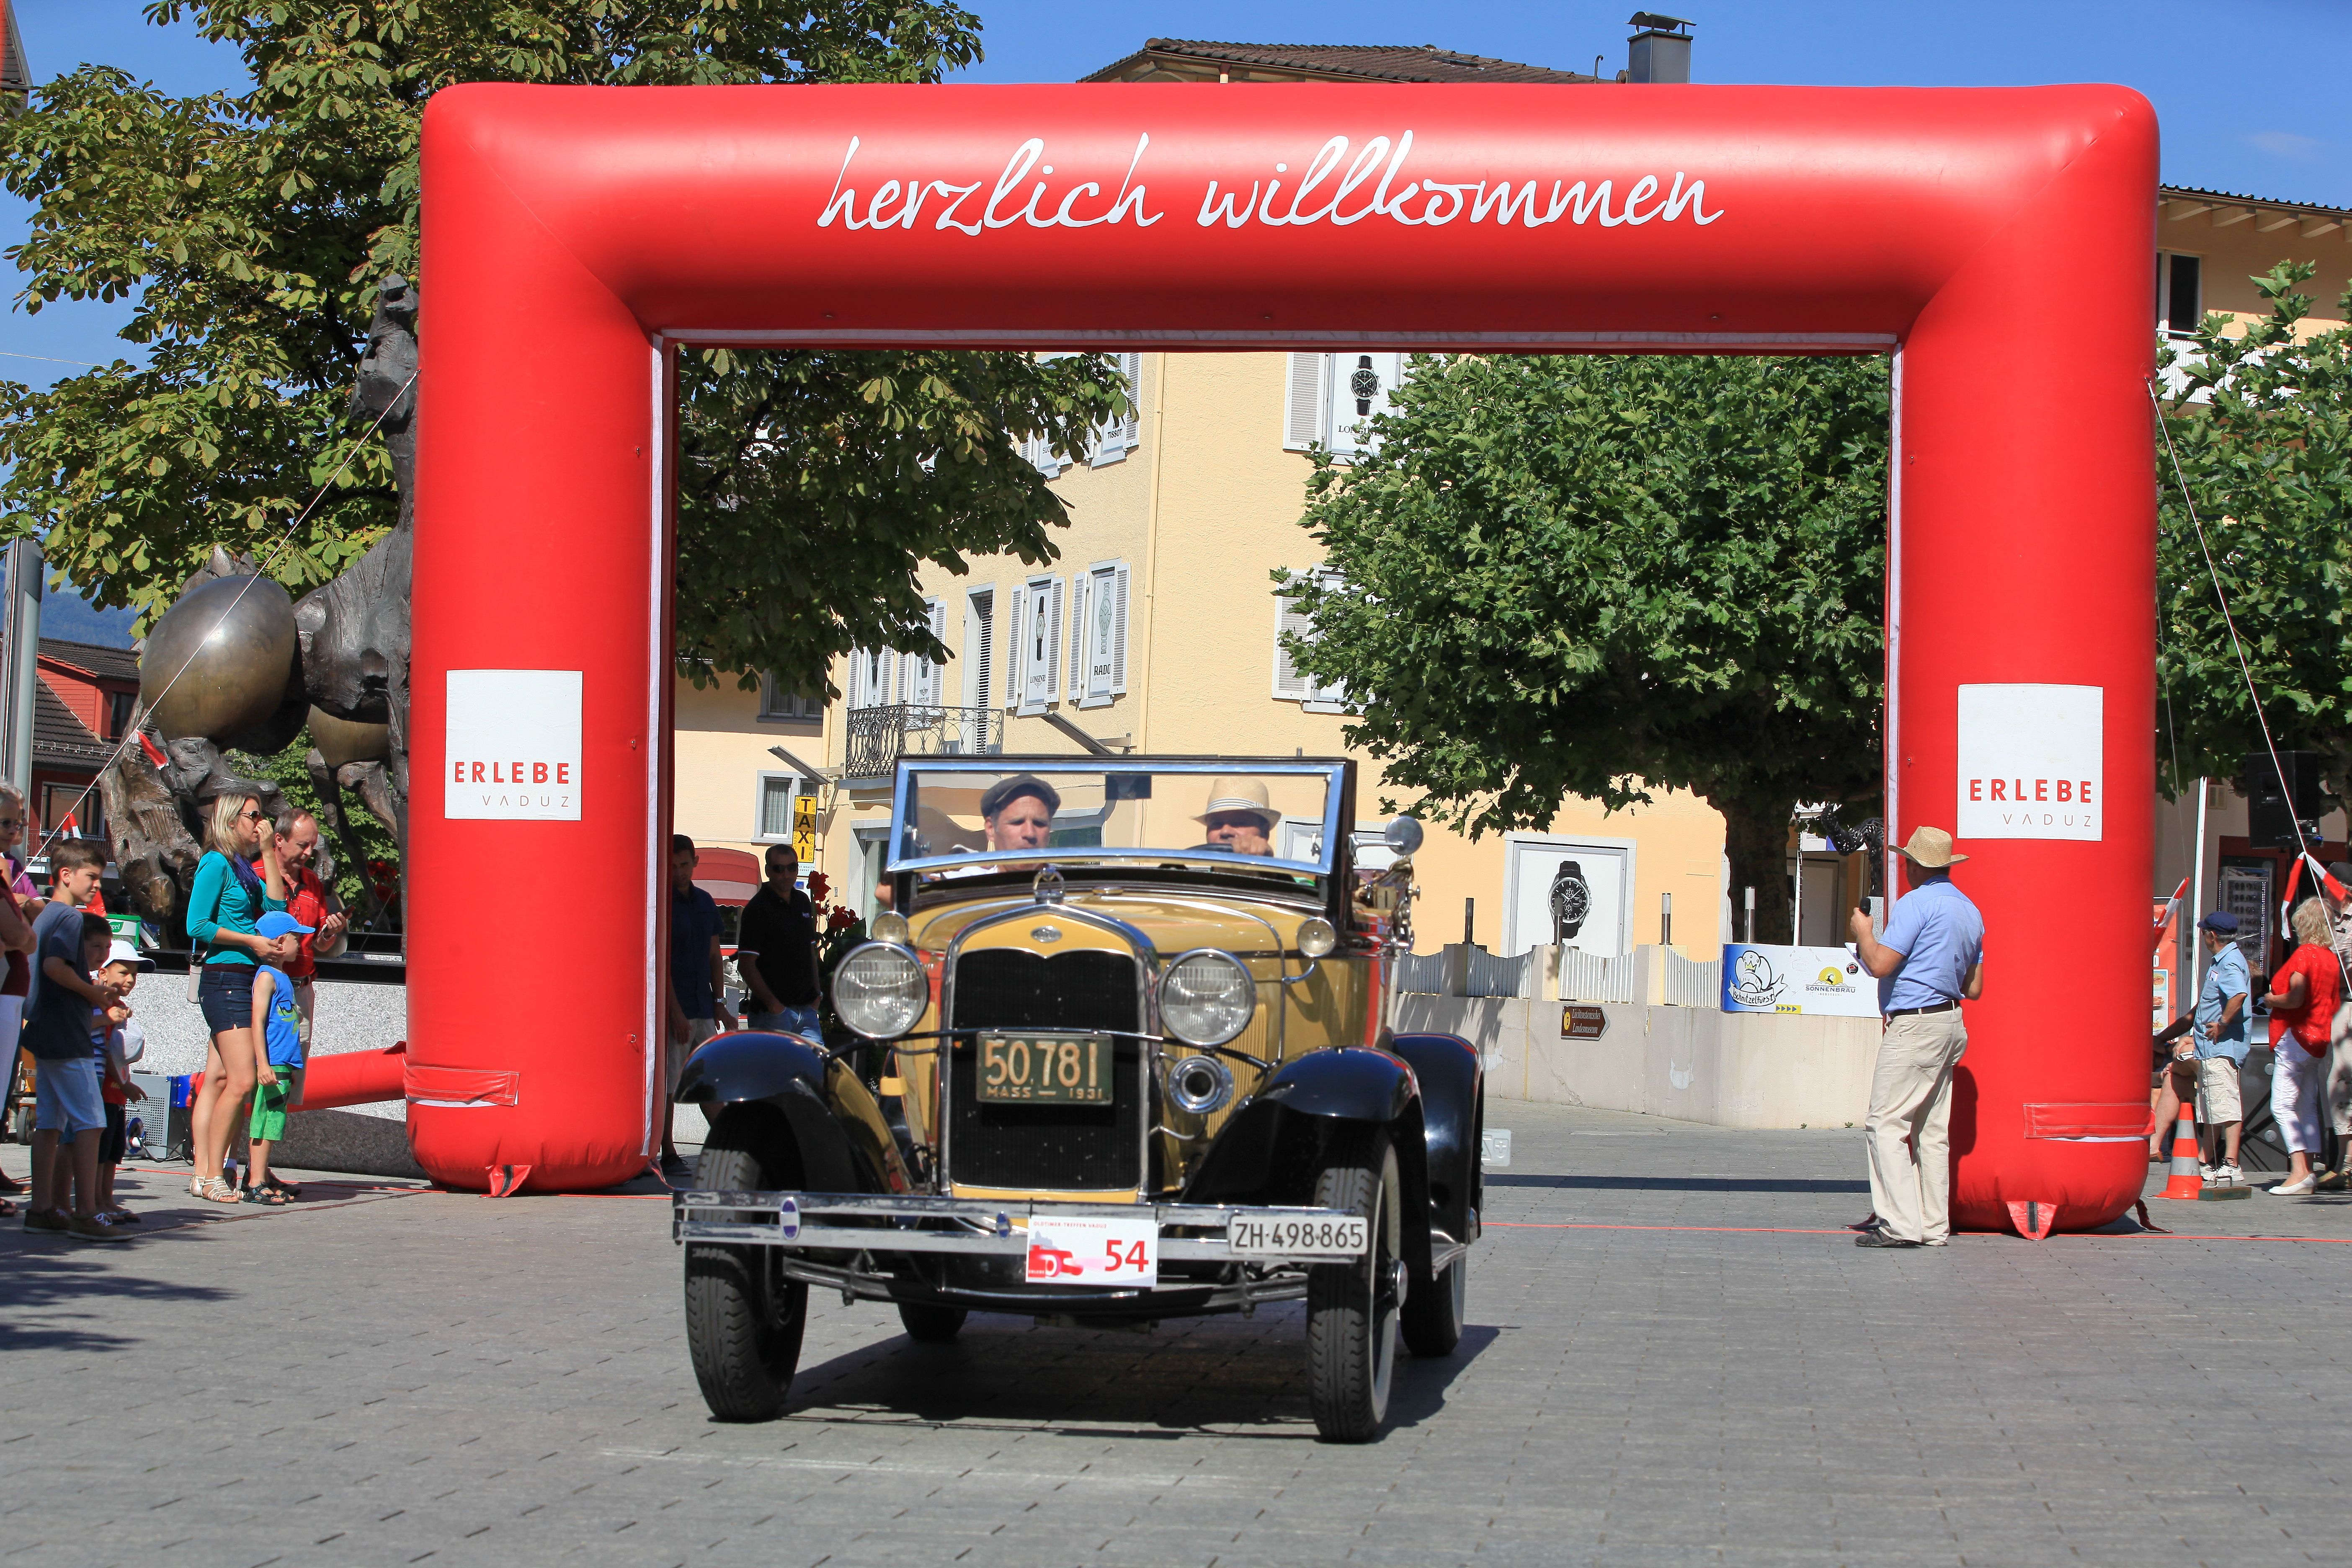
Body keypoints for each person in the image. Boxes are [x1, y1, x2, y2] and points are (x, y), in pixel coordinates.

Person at [1846, 825, 1986, 1250]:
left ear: (1915, 866)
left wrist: (1863, 931)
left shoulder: (1915, 904)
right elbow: (1975, 987)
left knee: (1885, 1123)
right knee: (1932, 1131)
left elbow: (1881, 963)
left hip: (1916, 1022)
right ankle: (1932, 1225)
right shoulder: (1970, 910)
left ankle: (1899, 1225)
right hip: (1950, 1021)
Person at [185, 793, 294, 1205]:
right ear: (231, 821)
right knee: (243, 1080)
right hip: (226, 980)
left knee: (221, 1079)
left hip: (245, 979)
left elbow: (277, 907)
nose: (259, 823)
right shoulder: (215, 862)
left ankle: (205, 1173)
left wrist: (268, 852)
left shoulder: (241, 868)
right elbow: (197, 923)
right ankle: (213, 1174)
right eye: (253, 817)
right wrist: (251, 940)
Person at [21, 846, 131, 1240]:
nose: (97, 886)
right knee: (91, 1120)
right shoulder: (69, 917)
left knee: (50, 1122)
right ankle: (87, 1213)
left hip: (44, 1031)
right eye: (91, 878)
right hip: (68, 1034)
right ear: (66, 875)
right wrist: (93, 993)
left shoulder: (47, 914)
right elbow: (55, 968)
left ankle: (41, 1207)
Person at [2151, 912, 2250, 1184]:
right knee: (2206, 1100)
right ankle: (2203, 1160)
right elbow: (2199, 1012)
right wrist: (2164, 1037)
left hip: (2222, 1047)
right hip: (2209, 1048)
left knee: (2225, 1105)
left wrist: (2223, 1023)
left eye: (2204, 932)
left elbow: (2239, 994)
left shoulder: (2229, 963)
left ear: (2212, 936)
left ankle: (2231, 1163)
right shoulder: (2220, 962)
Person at [2258, 897, 2341, 1197]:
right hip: (2319, 1037)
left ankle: (2299, 1170)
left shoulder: (2306, 954)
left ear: (2303, 925)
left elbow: (2295, 997)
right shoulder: (2332, 958)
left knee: (2282, 1104)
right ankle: (2309, 1170)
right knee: (2306, 1105)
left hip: (2296, 1034)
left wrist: (2269, 999)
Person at [663, 833, 733, 1179]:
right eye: (673, 866)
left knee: (707, 1079)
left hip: (704, 1006)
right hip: (676, 1007)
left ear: (695, 863)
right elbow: (660, 963)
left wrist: (720, 1003)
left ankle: (728, 1145)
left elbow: (714, 957)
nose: (678, 872)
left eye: (684, 865)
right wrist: (675, 1012)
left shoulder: (706, 902)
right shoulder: (661, 903)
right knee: (670, 1084)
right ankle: (667, 1148)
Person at [242, 913, 315, 1206]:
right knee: (265, 1120)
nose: (300, 943)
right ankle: (255, 1182)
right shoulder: (267, 977)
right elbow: (257, 1021)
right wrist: (263, 1063)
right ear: (282, 942)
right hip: (272, 1064)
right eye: (297, 938)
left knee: (273, 1121)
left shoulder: (282, 977)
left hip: (283, 1064)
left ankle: (261, 1176)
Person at [270, 808, 348, 1052]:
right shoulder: (255, 876)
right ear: (279, 840)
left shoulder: (312, 881)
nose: (308, 853)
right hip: (266, 987)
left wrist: (330, 932)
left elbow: (320, 943)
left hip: (302, 989)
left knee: (296, 1072)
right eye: (302, 845)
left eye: (312, 846)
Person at [90, 937, 155, 1224]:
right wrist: (124, 1083)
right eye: (124, 972)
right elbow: (102, 1051)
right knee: (99, 1152)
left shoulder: (119, 1006)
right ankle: (93, 1200)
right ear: (102, 972)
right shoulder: (100, 1005)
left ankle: (107, 1198)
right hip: (104, 1090)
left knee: (113, 1154)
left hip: (116, 1094)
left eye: (134, 975)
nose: (130, 979)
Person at [737, 844, 822, 1037]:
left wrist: (817, 994)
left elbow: (811, 951)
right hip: (771, 1015)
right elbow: (747, 964)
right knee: (776, 1068)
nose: (786, 874)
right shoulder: (757, 909)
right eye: (779, 869)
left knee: (813, 1066)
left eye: (792, 867)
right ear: (768, 871)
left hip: (806, 1011)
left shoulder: (802, 901)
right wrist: (774, 1006)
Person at [0, 784, 37, 1208]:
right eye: (6, 822)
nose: (14, 830)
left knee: (6, 1083)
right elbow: (19, 937)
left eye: (17, 822)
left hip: (12, 986)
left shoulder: (13, 866)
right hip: (5, 986)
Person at [1192, 778, 1278, 856]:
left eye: (1239, 823)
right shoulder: (1184, 872)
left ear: (1265, 832)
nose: (1225, 832)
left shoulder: (1283, 872)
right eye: (1216, 824)